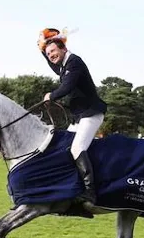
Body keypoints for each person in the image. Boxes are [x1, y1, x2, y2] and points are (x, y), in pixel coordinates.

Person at [38, 28, 107, 206]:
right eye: (48, 53)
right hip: (79, 118)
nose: (51, 55)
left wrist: (51, 96)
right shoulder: (64, 65)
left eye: (53, 51)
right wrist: (42, 48)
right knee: (63, 147)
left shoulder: (74, 62)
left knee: (76, 149)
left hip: (91, 114)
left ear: (63, 49)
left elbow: (67, 87)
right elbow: (53, 65)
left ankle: (90, 193)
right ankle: (69, 186)